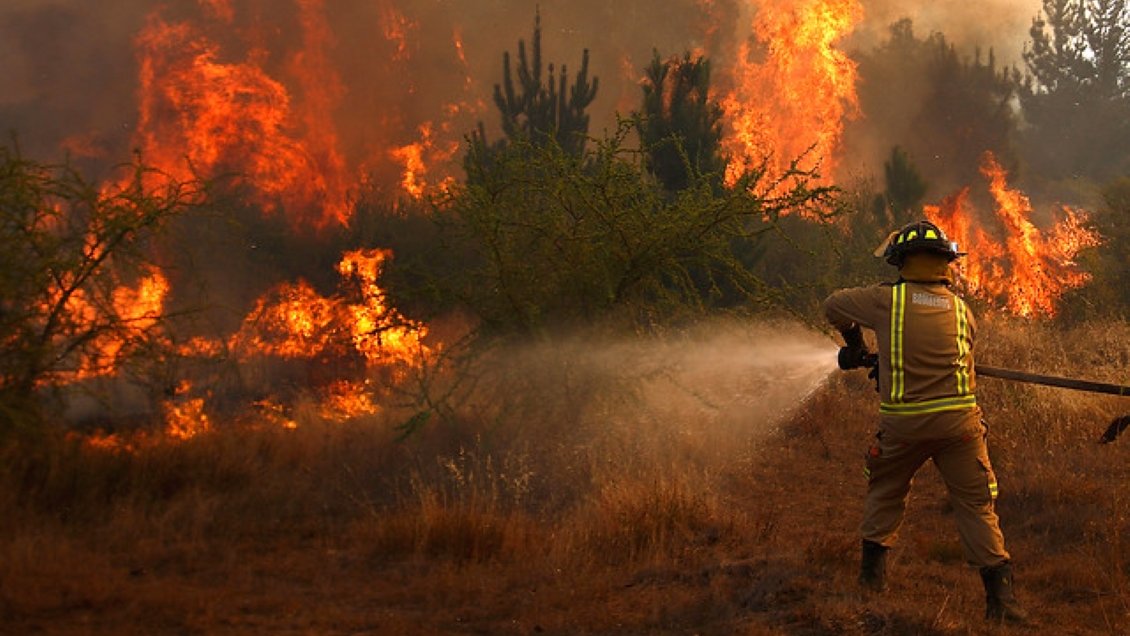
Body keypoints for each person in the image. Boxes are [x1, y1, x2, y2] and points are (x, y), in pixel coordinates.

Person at [823, 219, 1028, 624]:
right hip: (960, 427)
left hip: (903, 427)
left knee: (885, 491)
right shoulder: (962, 310)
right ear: (944, 263)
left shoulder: (884, 302)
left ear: (901, 261)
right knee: (976, 507)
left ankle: (871, 581)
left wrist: (856, 344)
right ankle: (1002, 604)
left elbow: (832, 306)